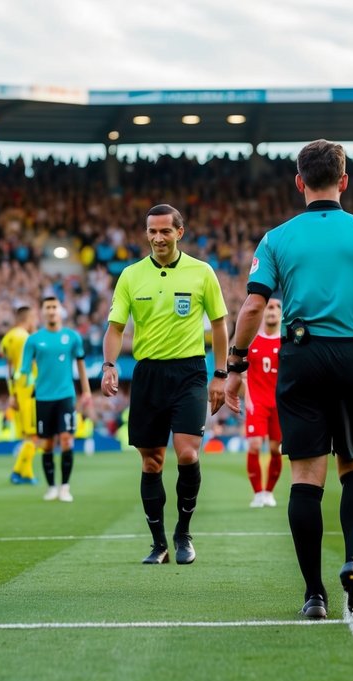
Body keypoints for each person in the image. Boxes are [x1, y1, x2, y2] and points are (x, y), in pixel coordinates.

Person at [223, 139, 353, 621]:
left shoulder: (276, 238)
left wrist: (235, 365)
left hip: (300, 356)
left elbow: (251, 305)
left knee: (306, 478)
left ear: (299, 182)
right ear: (344, 181)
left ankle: (313, 594)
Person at [102, 203, 228, 566]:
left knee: (188, 453)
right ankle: (158, 544)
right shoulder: (130, 275)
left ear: (179, 232)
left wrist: (220, 374)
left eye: (165, 231)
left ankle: (183, 532)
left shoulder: (202, 273)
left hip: (189, 372)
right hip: (148, 374)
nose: (158, 238)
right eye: (152, 232)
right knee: (152, 462)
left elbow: (219, 325)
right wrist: (109, 365)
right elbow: (115, 328)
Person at [15, 295, 92, 502]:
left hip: (66, 396)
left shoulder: (72, 337)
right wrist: (17, 392)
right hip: (43, 397)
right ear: (42, 312)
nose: (51, 310)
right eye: (47, 307)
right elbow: (23, 370)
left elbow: (81, 364)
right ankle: (51, 487)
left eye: (54, 307)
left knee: (67, 440)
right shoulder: (33, 340)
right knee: (47, 445)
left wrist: (86, 391)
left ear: (60, 310)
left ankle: (65, 487)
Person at [242, 297, 284, 508]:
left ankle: (269, 492)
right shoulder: (252, 341)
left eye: (277, 307)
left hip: (279, 404)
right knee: (255, 444)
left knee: (276, 449)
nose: (272, 310)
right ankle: (258, 493)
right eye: (269, 306)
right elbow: (242, 375)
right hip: (257, 402)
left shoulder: (285, 342)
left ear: (281, 314)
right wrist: (247, 398)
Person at [1, 305, 40, 485]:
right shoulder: (27, 338)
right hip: (30, 390)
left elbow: (8, 368)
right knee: (34, 437)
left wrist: (11, 394)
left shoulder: (8, 338)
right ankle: (17, 471)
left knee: (28, 437)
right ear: (29, 318)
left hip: (17, 392)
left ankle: (27, 474)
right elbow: (35, 362)